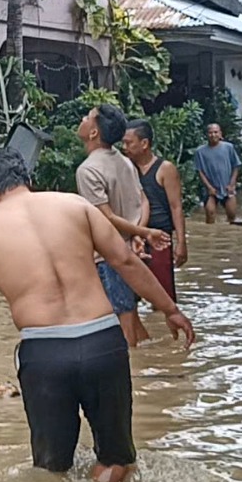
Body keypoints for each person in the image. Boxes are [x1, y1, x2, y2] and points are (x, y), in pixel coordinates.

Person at [0, 148, 196, 482]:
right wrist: (170, 310)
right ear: (28, 181)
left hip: (44, 354)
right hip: (103, 342)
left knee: (51, 471)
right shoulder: (76, 206)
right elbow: (126, 262)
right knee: (117, 460)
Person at [76, 104, 169, 346]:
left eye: (87, 117)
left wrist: (143, 232)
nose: (82, 119)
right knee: (131, 315)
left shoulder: (88, 170)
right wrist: (139, 233)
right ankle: (160, 361)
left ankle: (132, 373)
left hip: (108, 256)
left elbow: (104, 217)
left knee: (123, 321)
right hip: (131, 252)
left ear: (94, 132)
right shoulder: (126, 161)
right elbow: (142, 201)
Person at [121, 119, 186, 302]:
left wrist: (181, 242)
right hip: (133, 236)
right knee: (130, 299)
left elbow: (176, 206)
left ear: (144, 143)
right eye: (123, 142)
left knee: (163, 300)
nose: (124, 147)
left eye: (128, 142)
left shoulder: (165, 169)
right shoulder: (126, 167)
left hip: (160, 237)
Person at [193, 123, 242, 224]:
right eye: (210, 132)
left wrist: (232, 184)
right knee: (210, 214)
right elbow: (200, 171)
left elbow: (236, 166)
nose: (213, 135)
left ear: (220, 134)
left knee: (232, 215)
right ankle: (211, 237)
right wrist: (209, 187)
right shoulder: (200, 151)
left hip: (227, 188)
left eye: (215, 132)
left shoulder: (229, 147)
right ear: (207, 135)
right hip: (211, 190)